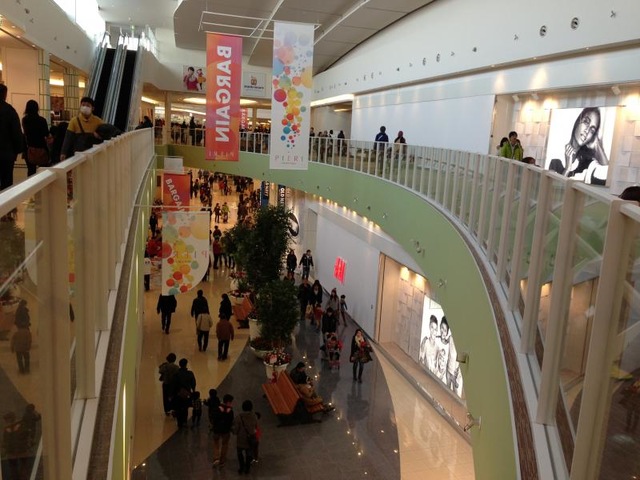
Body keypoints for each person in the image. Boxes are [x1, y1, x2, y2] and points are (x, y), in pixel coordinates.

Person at [563, 107, 608, 185]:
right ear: (578, 121)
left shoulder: (588, 164)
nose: (587, 131)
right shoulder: (556, 159)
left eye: (592, 130)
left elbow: (606, 172)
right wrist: (567, 169)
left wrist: (597, 144)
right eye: (586, 122)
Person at [60, 96, 103, 160]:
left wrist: (99, 135)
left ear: (93, 108)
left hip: (94, 155)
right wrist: (63, 152)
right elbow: (68, 138)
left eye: (88, 105)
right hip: (78, 155)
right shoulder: (74, 121)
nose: (85, 107)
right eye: (83, 105)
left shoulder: (98, 121)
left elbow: (106, 133)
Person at [0, 84, 23, 190]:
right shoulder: (10, 110)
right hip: (6, 153)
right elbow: (16, 133)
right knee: (7, 183)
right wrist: (17, 150)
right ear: (5, 94)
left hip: (7, 152)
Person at [22, 99, 51, 175]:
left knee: (31, 171)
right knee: (43, 171)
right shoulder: (42, 120)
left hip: (30, 148)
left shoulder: (25, 120)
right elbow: (46, 134)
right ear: (37, 108)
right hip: (41, 147)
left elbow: (26, 133)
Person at [231, 399, 258, 475]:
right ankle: (247, 468)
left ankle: (241, 467)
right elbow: (256, 427)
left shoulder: (239, 417)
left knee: (240, 453)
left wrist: (233, 431)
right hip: (250, 439)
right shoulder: (254, 416)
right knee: (248, 453)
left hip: (241, 439)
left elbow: (235, 429)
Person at [212, 394, 234, 467]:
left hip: (216, 430)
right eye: (231, 402)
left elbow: (213, 418)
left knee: (216, 444)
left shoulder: (217, 408)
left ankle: (216, 458)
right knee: (225, 445)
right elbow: (231, 421)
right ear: (228, 402)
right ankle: (222, 460)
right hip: (226, 431)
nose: (231, 404)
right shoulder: (230, 411)